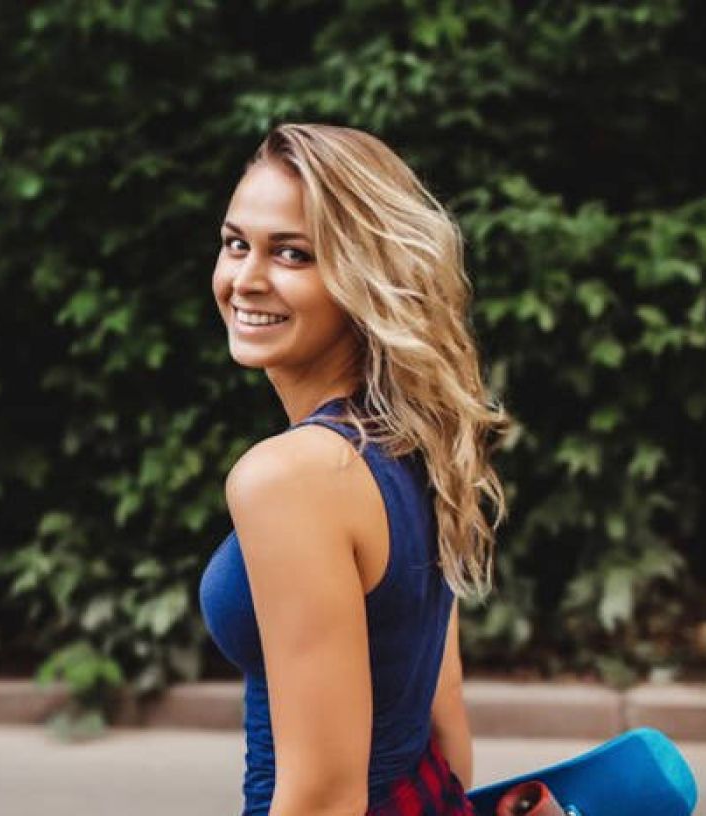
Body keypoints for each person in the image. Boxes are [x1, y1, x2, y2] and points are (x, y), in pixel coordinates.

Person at [198, 123, 511, 816]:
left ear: (365, 277)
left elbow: (323, 796)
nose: (246, 279)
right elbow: (445, 725)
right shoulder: (416, 440)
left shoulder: (291, 478)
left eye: (293, 254)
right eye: (235, 243)